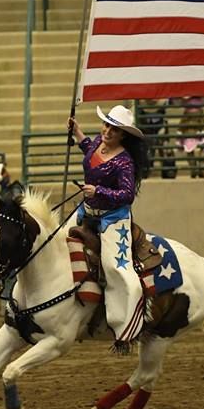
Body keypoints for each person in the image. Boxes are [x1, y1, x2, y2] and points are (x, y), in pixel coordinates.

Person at [67, 104, 148, 352]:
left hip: (114, 218)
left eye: (114, 128)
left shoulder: (124, 162)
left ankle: (128, 323)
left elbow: (126, 195)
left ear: (123, 134)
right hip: (87, 210)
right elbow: (87, 147)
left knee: (116, 267)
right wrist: (77, 132)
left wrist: (98, 191)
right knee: (58, 240)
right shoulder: (97, 145)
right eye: (106, 125)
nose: (107, 131)